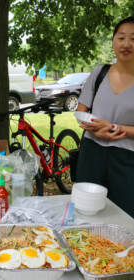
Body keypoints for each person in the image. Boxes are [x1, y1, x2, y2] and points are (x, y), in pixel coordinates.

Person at [76, 16, 134, 217]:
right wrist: (96, 128)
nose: (127, 44)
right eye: (121, 37)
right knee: (85, 213)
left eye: (133, 39)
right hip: (92, 153)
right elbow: (81, 112)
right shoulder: (99, 73)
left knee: (124, 217)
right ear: (113, 41)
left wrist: (114, 128)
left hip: (127, 159)